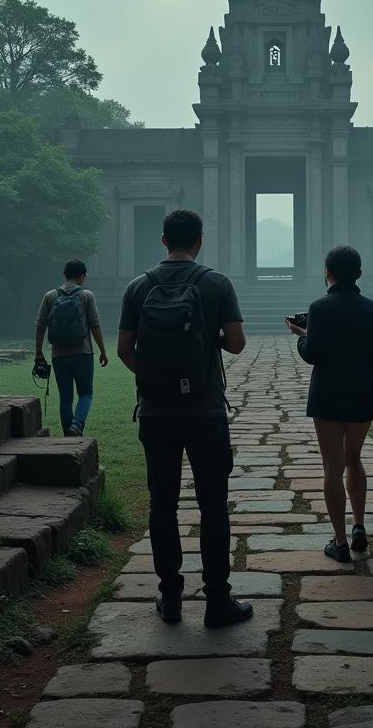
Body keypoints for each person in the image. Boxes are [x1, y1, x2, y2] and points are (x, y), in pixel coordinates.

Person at [116, 209, 251, 629]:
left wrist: (157, 379)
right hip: (206, 411)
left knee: (162, 503)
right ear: (200, 241)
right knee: (213, 504)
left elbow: (124, 349)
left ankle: (170, 597)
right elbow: (237, 344)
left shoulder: (139, 287)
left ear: (163, 240)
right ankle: (217, 600)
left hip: (156, 413)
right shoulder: (216, 283)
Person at [286, 245, 373, 563]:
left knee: (332, 467)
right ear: (359, 274)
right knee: (354, 458)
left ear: (328, 273)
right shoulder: (372, 309)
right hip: (362, 394)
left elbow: (313, 353)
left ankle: (339, 542)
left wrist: (301, 335)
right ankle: (360, 527)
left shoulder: (320, 308)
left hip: (328, 395)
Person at [35, 259, 108, 437]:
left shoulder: (50, 296)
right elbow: (95, 324)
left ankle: (69, 437)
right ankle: (77, 425)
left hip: (58, 355)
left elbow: (40, 325)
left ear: (65, 275)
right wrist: (103, 350)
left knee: (65, 398)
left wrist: (38, 352)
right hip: (83, 354)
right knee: (86, 393)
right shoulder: (87, 296)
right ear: (82, 276)